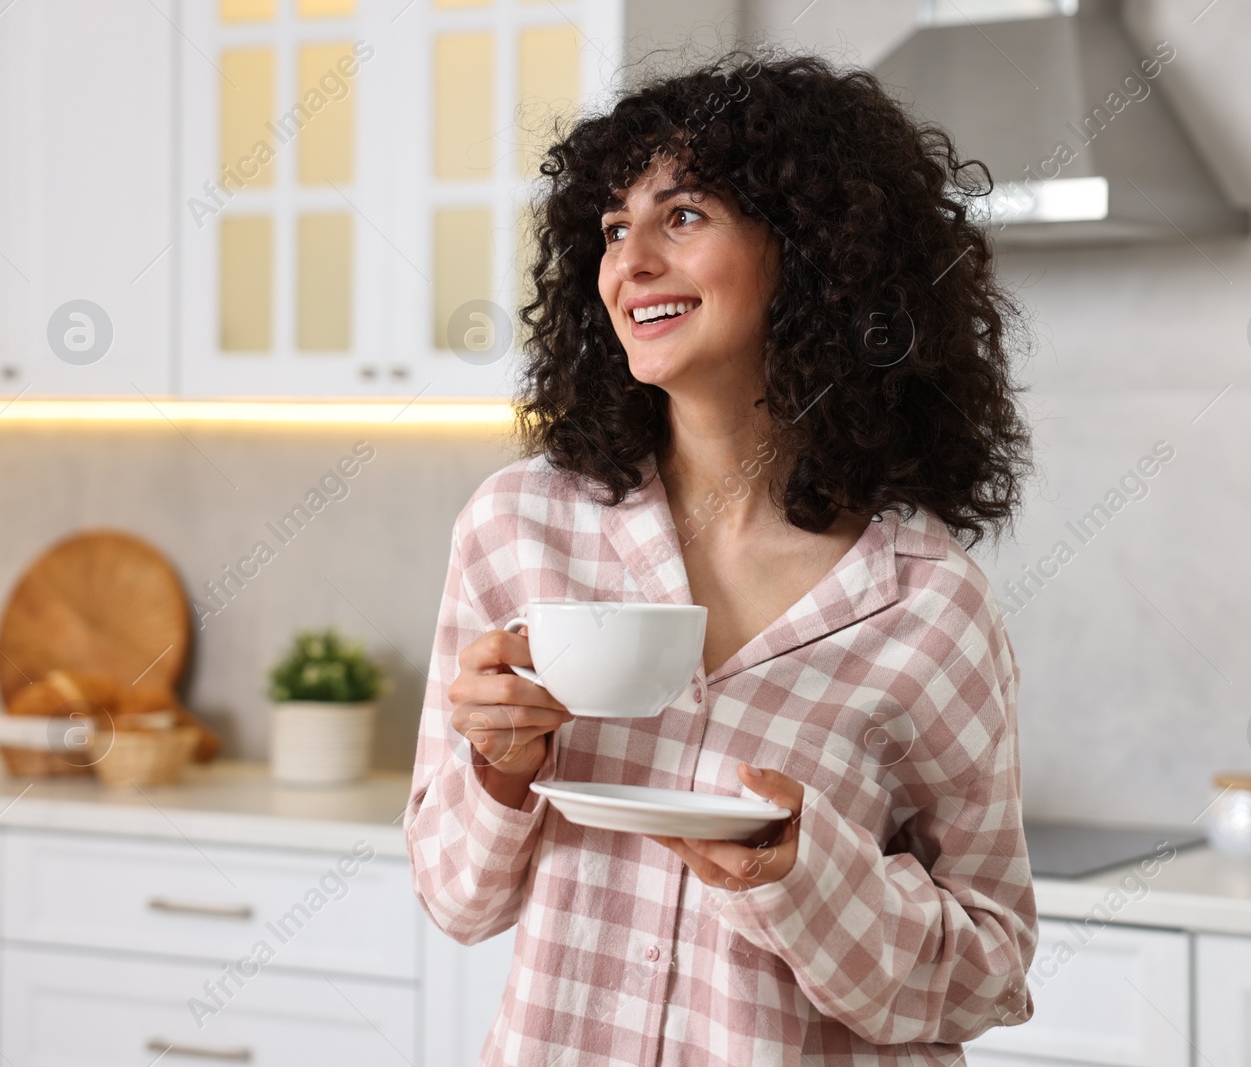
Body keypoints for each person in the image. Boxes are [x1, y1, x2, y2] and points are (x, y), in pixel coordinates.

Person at [405, 49, 1036, 1067]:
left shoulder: (922, 597)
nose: (631, 262)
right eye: (614, 229)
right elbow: (453, 897)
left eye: (682, 216)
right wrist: (502, 766)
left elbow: (990, 970)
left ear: (812, 248)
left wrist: (804, 869)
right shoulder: (519, 528)